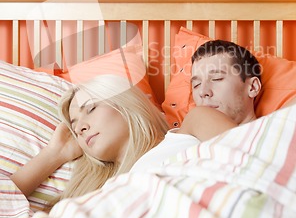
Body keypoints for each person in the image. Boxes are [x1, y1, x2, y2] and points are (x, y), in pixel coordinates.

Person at [11, 75, 169, 202]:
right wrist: (54, 153)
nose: (79, 128)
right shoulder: (95, 196)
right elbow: (6, 202)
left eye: (90, 108)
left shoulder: (183, 144)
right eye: (74, 128)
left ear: (126, 102)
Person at [131, 40, 262, 172]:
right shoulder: (196, 118)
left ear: (252, 87)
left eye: (217, 79)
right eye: (196, 85)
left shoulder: (274, 133)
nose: (203, 92)